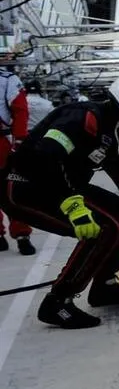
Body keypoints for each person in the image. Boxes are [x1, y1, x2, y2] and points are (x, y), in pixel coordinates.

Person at [0, 72, 119, 329]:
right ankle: (57, 302)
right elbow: (46, 156)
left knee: (115, 207)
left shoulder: (110, 129)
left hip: (54, 187)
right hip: (24, 188)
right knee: (103, 227)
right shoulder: (85, 118)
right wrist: (73, 206)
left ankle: (104, 286)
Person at [0, 69, 34, 255]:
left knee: (13, 188)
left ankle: (22, 234)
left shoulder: (7, 79)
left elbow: (20, 110)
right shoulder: (7, 79)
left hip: (3, 144)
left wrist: (19, 141)